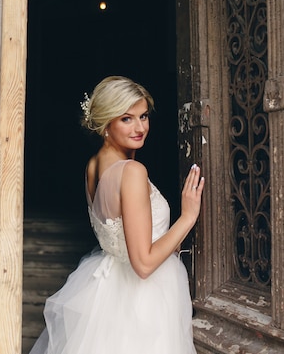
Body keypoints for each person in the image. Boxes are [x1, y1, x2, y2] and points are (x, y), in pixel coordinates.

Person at [29, 76, 204, 354]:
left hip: (107, 293)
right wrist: (188, 217)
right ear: (106, 124)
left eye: (144, 116)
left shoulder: (94, 165)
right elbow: (144, 265)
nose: (140, 127)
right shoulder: (132, 172)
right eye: (126, 119)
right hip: (142, 301)